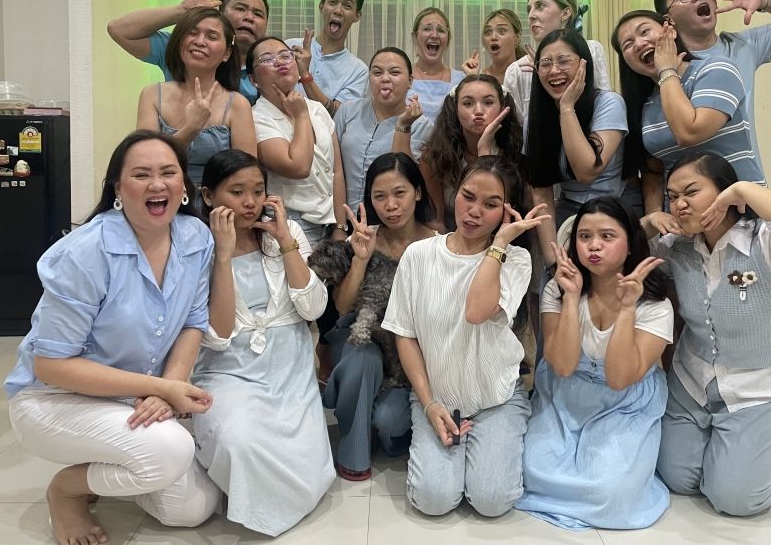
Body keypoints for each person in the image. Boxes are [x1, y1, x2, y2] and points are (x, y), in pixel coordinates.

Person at [3, 130, 221, 545]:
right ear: (118, 188)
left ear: (185, 187)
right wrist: (160, 387)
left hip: (131, 396)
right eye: (141, 175)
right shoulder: (85, 252)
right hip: (53, 399)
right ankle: (68, 490)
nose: (157, 185)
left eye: (168, 173)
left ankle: (115, 460)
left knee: (191, 510)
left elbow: (194, 322)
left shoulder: (196, 237)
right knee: (171, 450)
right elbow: (50, 365)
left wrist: (168, 389)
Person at [644, 152, 771, 516]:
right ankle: (731, 442)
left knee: (735, 499)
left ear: (724, 193)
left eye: (691, 192)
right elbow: (627, 249)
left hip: (760, 386)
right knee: (677, 477)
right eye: (673, 196)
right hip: (693, 381)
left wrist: (743, 187)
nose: (679, 204)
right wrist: (651, 220)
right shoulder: (679, 246)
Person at [382, 156, 548, 517]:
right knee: (433, 500)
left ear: (507, 212)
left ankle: (490, 440)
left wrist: (500, 243)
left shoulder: (516, 259)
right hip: (437, 397)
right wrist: (428, 403)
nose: (474, 212)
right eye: (467, 196)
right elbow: (405, 335)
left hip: (495, 397)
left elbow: (476, 311)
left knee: (492, 502)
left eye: (491, 205)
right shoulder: (419, 254)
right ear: (454, 193)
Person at [191, 149, 332, 537]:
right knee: (239, 440)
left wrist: (285, 239)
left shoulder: (285, 235)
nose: (250, 202)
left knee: (301, 459)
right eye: (237, 192)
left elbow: (313, 307)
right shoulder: (195, 246)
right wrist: (222, 255)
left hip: (288, 364)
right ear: (208, 197)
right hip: (228, 369)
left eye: (257, 191)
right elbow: (217, 336)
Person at [516, 197, 672, 530]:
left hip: (624, 402)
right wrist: (571, 298)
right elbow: (562, 366)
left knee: (609, 492)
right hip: (565, 392)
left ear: (630, 244)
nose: (594, 246)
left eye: (607, 236)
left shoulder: (655, 303)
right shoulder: (558, 290)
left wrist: (627, 309)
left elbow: (619, 378)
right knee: (527, 470)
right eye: (584, 237)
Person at [312, 153, 437, 481]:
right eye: (379, 196)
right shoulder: (363, 239)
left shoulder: (438, 243)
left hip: (408, 353)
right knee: (362, 360)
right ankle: (353, 455)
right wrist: (360, 259)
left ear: (418, 193)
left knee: (389, 420)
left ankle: (370, 413)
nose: (390, 205)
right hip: (359, 340)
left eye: (400, 193)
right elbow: (342, 308)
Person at [612, 10, 763, 235]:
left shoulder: (716, 68)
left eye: (645, 31)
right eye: (627, 44)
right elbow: (653, 172)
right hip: (686, 223)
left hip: (739, 213)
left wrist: (667, 70)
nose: (639, 43)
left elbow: (689, 132)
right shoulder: (645, 103)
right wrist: (655, 217)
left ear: (670, 30)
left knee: (743, 272)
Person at [654, 0, 771, 166]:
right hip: (689, 187)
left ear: (714, 2)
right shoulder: (669, 63)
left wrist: (764, 0)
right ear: (669, 19)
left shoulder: (742, 46)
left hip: (744, 177)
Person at [524, 28, 627, 269]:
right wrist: (552, 260)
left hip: (616, 210)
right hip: (567, 216)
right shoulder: (537, 118)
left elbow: (586, 170)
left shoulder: (609, 103)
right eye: (545, 63)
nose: (554, 70)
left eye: (563, 61)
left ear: (584, 64)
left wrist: (567, 108)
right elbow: (541, 190)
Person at [136, 7, 257, 187]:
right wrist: (190, 128)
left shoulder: (238, 104)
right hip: (160, 197)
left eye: (212, 36)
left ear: (226, 54)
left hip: (216, 206)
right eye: (192, 33)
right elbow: (144, 162)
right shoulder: (152, 94)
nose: (200, 41)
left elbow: (247, 175)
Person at [247, 35, 347, 247]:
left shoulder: (317, 109)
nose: (279, 62)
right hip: (289, 225)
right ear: (253, 80)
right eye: (267, 59)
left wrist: (340, 227)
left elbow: (336, 171)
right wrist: (301, 116)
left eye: (286, 56)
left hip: (329, 224)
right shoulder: (255, 118)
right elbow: (298, 166)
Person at [109, 0, 268, 103]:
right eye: (240, 9)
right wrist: (181, 10)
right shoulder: (187, 48)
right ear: (220, 13)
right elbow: (119, 30)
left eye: (258, 14)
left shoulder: (269, 68)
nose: (249, 18)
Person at [420, 74, 524, 231]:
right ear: (455, 109)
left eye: (488, 102)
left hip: (502, 236)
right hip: (448, 238)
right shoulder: (435, 155)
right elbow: (436, 221)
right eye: (468, 103)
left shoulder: (515, 152)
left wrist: (484, 150)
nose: (478, 111)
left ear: (502, 108)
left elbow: (498, 213)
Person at [335, 47, 432, 211]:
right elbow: (332, 167)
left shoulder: (421, 125)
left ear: (410, 81)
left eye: (394, 73)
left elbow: (409, 178)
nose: (385, 79)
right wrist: (339, 225)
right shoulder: (347, 111)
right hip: (343, 215)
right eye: (377, 73)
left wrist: (404, 125)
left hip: (390, 217)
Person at [504, 0, 611, 120]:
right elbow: (517, 129)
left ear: (565, 13)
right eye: (529, 9)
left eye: (540, 6)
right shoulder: (517, 71)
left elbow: (603, 105)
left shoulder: (591, 50)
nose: (531, 16)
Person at [286, 0, 370, 116]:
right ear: (321, 6)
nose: (338, 10)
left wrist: (305, 75)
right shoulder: (290, 47)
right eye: (332, 2)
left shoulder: (358, 70)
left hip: (324, 137)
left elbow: (339, 114)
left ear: (357, 16)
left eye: (347, 6)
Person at [406, 7, 466, 119]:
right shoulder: (402, 77)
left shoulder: (461, 80)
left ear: (448, 39)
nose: (434, 35)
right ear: (415, 37)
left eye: (441, 30)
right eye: (427, 29)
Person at [461, 9, 528, 83]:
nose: (493, 37)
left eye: (502, 31)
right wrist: (472, 78)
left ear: (517, 38)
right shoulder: (479, 76)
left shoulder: (528, 74)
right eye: (488, 32)